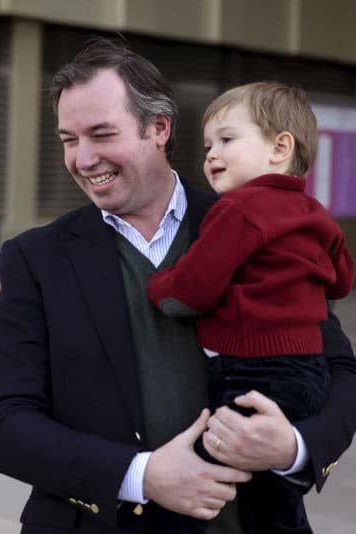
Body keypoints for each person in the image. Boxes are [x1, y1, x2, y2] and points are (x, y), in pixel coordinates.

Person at [0, 37, 356, 534]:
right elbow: (5, 425)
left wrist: (293, 448)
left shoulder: (259, 222)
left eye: (101, 134)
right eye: (69, 139)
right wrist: (142, 475)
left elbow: (340, 369)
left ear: (159, 128)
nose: (83, 159)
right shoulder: (35, 257)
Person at [146, 81, 354, 532]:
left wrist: (158, 289)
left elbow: (196, 285)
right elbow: (340, 280)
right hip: (307, 373)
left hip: (252, 372)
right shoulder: (314, 213)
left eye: (227, 140)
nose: (211, 155)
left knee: (207, 469)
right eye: (208, 146)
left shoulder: (238, 209)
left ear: (280, 147)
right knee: (273, 498)